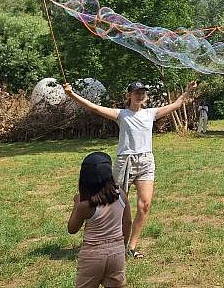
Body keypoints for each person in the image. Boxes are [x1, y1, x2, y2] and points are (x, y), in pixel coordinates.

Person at [64, 80, 196, 259]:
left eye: (142, 92)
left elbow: (176, 104)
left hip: (146, 161)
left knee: (145, 204)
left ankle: (131, 246)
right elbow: (94, 107)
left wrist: (187, 90)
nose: (140, 95)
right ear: (129, 95)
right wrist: (72, 95)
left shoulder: (151, 113)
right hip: (125, 162)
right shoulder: (121, 114)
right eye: (136, 92)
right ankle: (105, 240)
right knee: (113, 205)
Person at [68, 152, 132, 288]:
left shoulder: (86, 205)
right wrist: (123, 247)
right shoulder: (121, 195)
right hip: (117, 252)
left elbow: (72, 229)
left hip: (92, 256)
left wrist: (77, 203)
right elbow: (127, 223)